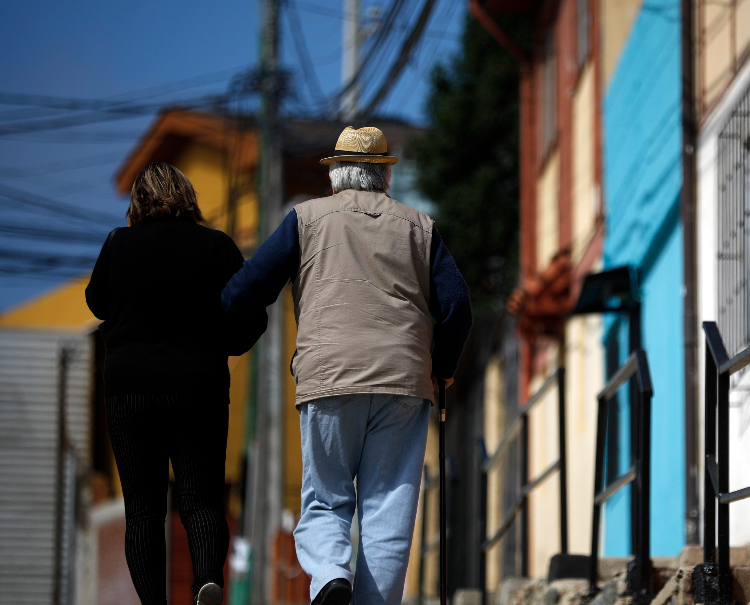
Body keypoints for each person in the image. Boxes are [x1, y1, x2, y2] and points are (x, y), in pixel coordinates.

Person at [221, 126, 473, 605]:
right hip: (404, 383)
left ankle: (332, 574)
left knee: (327, 498)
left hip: (330, 377)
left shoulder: (306, 219)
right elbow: (457, 302)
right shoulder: (420, 227)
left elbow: (247, 289)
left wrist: (227, 319)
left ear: (335, 177)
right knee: (388, 511)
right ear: (385, 179)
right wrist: (442, 367)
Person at [85, 162, 267, 605]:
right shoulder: (218, 247)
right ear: (190, 198)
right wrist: (224, 344)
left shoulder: (118, 244)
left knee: (143, 510)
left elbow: (97, 302)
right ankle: (206, 580)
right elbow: (253, 314)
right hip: (197, 387)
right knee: (201, 499)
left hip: (129, 388)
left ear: (136, 203)